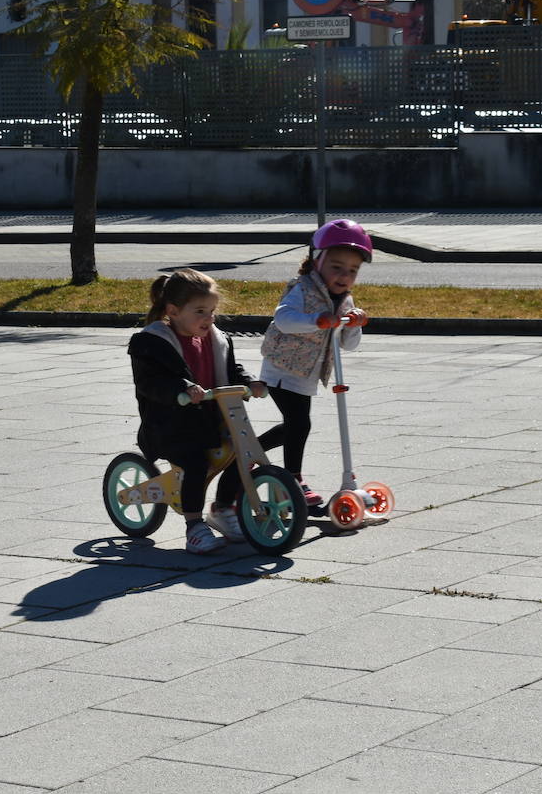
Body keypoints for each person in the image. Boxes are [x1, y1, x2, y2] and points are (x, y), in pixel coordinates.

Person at [128, 269, 267, 554]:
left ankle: (223, 509)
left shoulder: (217, 340)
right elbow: (149, 383)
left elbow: (231, 370)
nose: (209, 318)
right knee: (195, 464)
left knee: (243, 453)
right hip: (171, 426)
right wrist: (182, 388)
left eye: (212, 311)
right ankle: (194, 526)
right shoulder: (151, 343)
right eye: (201, 311)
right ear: (173, 311)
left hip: (212, 420)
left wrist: (249, 381)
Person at [257, 218, 371, 510]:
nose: (344, 276)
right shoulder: (302, 288)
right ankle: (294, 479)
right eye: (337, 267)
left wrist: (353, 325)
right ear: (317, 261)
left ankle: (250, 451)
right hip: (281, 368)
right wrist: (315, 321)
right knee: (299, 422)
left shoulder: (344, 300)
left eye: (353, 270)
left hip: (306, 373)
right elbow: (283, 319)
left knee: (296, 424)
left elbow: (348, 344)